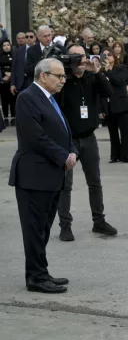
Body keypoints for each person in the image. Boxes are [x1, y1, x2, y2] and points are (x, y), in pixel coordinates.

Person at [10, 58, 77, 293]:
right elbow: (36, 137)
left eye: (64, 76)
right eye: (59, 76)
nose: (63, 80)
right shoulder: (27, 98)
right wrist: (63, 156)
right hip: (34, 175)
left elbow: (63, 131)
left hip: (51, 174)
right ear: (43, 76)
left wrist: (72, 151)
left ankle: (41, 272)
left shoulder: (49, 98)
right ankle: (36, 278)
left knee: (44, 228)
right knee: (34, 230)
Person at [55, 46, 117, 241]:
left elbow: (108, 92)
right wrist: (64, 73)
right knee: (65, 185)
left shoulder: (92, 77)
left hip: (89, 137)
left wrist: (96, 71)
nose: (80, 60)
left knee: (95, 182)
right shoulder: (63, 79)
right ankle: (65, 226)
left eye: (82, 55)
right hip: (67, 140)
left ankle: (99, 221)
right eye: (75, 56)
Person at [102, 48, 128, 163]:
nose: (107, 57)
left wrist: (108, 71)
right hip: (108, 104)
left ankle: (127, 156)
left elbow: (120, 81)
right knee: (112, 131)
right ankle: (115, 155)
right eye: (104, 55)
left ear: (114, 56)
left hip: (121, 103)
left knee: (124, 131)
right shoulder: (101, 70)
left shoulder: (122, 68)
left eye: (109, 54)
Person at [1, 39, 15, 126]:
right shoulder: (1, 56)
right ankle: (5, 118)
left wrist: (10, 75)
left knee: (12, 100)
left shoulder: (14, 55)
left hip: (12, 81)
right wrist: (4, 74)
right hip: (3, 82)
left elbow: (16, 67)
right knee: (4, 100)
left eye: (8, 45)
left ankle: (13, 118)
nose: (6, 47)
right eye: (4, 45)